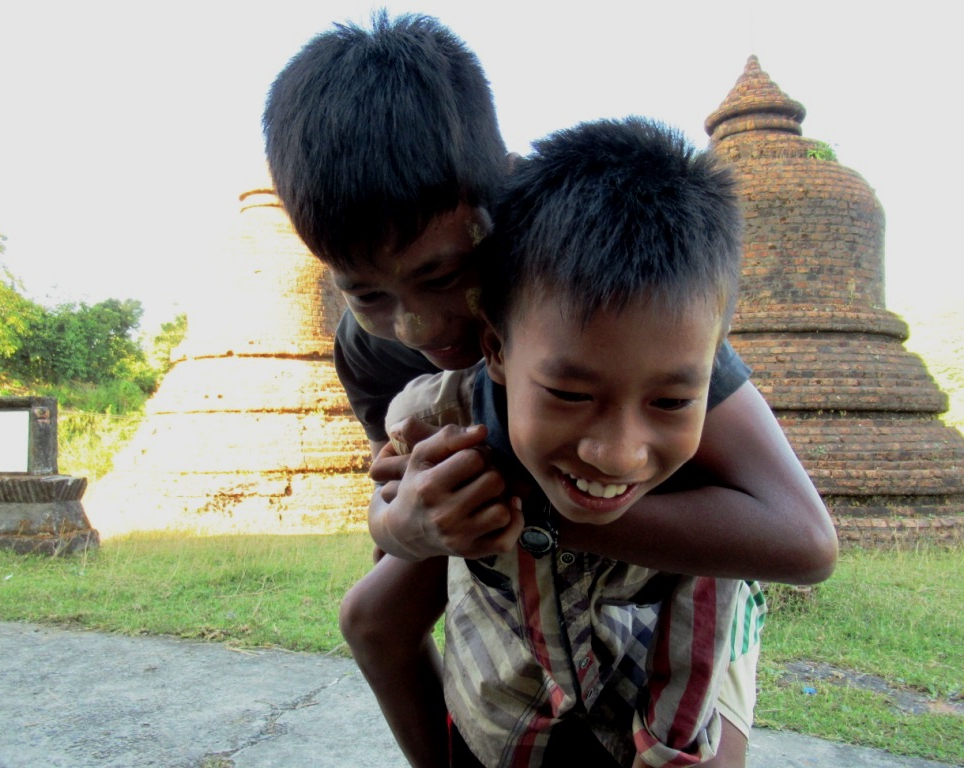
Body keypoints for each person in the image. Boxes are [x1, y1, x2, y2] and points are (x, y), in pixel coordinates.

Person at [262, 13, 837, 767]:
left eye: (440, 276)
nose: (415, 325)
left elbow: (802, 536)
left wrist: (527, 503)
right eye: (366, 293)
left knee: (692, 712)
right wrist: (403, 525)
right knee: (370, 617)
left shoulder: (596, 292)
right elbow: (398, 485)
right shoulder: (371, 349)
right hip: (501, 544)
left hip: (666, 543)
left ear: (498, 193)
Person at [384, 115, 755, 767]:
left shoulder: (709, 486)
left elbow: (703, 632)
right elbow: (390, 489)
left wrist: (671, 750)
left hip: (632, 728)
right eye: (570, 395)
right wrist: (400, 524)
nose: (618, 453)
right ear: (495, 349)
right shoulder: (438, 415)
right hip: (493, 721)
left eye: (670, 401)